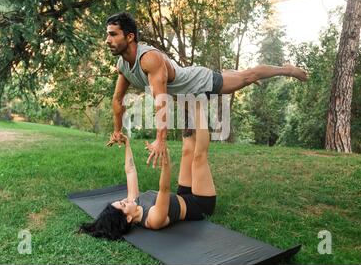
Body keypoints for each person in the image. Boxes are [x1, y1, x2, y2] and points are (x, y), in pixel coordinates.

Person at [105, 12, 308, 167]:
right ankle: (231, 72)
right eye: (107, 35)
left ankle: (287, 70)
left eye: (113, 35)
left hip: (198, 82)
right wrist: (116, 130)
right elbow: (117, 100)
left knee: (248, 77)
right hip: (184, 95)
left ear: (130, 37)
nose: (108, 40)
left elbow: (161, 100)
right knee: (236, 81)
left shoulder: (149, 58)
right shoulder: (123, 65)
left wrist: (160, 140)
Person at [80, 104, 216, 240]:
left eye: (121, 201)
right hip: (200, 205)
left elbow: (130, 171)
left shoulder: (134, 202)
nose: (125, 200)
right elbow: (164, 189)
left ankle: (187, 104)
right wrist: (165, 160)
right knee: (198, 157)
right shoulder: (153, 220)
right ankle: (198, 103)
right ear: (128, 218)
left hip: (183, 196)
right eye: (123, 204)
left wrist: (126, 143)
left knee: (187, 150)